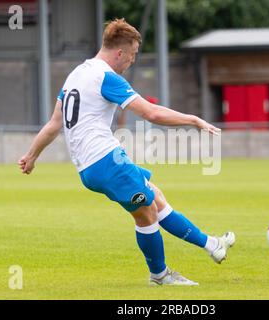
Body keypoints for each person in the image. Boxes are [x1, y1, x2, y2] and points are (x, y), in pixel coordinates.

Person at [18, 18, 235, 286]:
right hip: (103, 159)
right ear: (119, 52)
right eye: (132, 55)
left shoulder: (76, 74)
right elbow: (151, 112)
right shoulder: (107, 77)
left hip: (94, 162)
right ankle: (160, 275)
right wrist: (193, 120)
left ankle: (211, 244)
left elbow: (54, 123)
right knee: (146, 212)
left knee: (154, 196)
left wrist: (32, 155)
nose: (132, 61)